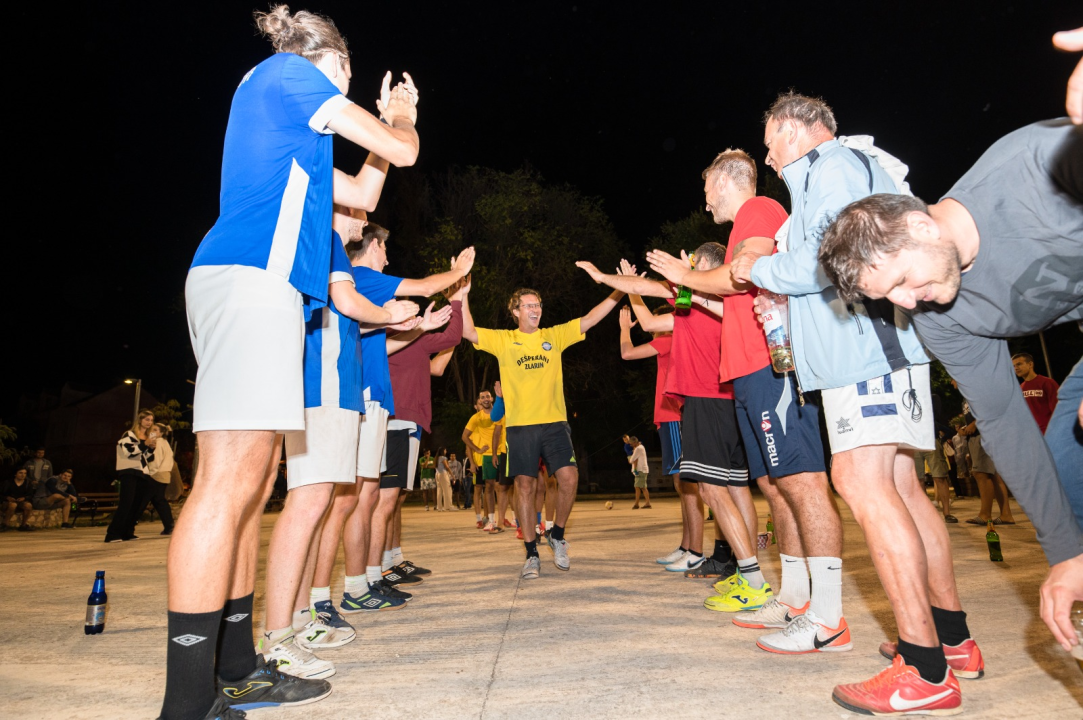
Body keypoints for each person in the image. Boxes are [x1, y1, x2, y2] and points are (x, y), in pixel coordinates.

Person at [171, 5, 423, 718]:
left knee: (249, 491)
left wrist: (380, 136)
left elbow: (369, 189)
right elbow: (400, 152)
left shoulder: (299, 136)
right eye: (347, 71)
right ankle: (186, 701)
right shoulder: (287, 76)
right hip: (250, 281)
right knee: (224, 489)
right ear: (332, 63)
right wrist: (399, 114)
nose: (348, 84)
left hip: (270, 293)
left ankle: (239, 668)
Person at [723, 93, 971, 715]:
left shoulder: (831, 166)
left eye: (771, 143)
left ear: (790, 128)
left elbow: (832, 260)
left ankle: (924, 668)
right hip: (880, 351)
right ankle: (953, 639)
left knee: (859, 480)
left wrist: (763, 268)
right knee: (902, 490)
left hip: (866, 351)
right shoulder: (846, 168)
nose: (769, 155)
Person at [817, 117, 1083, 659]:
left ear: (919, 226)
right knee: (1060, 453)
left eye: (899, 283)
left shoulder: (1037, 167)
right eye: (891, 299)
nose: (909, 305)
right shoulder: (939, 314)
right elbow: (1004, 419)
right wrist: (1063, 554)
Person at [646, 147, 846, 648]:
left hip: (769, 367)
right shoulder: (742, 225)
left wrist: (685, 276)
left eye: (708, 186)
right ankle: (796, 600)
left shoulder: (757, 210)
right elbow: (734, 290)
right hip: (746, 373)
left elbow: (744, 270)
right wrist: (688, 285)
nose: (705, 196)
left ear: (727, 181)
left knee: (802, 483)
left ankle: (829, 619)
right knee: (776, 488)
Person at [312, 219, 470, 619]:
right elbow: (423, 286)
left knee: (363, 497)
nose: (388, 254)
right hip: (357, 397)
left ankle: (360, 583)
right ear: (370, 247)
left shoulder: (361, 285)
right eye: (384, 247)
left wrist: (421, 328)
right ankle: (336, 592)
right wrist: (458, 274)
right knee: (350, 499)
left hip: (372, 399)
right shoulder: (361, 276)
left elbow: (384, 345)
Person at [463, 283, 624, 579]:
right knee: (525, 487)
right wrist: (460, 296)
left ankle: (557, 534)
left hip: (554, 423)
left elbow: (589, 318)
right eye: (528, 305)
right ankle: (531, 553)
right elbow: (469, 331)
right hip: (521, 426)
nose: (535, 309)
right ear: (515, 312)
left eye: (537, 304)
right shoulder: (504, 340)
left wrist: (620, 290)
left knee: (569, 477)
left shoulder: (553, 336)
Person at [106, 409, 157, 543]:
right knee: (126, 503)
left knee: (137, 504)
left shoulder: (147, 437)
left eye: (151, 420)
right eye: (146, 419)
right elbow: (129, 452)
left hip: (142, 471)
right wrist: (144, 444)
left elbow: (147, 458)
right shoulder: (129, 434)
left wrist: (151, 448)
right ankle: (112, 534)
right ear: (140, 420)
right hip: (129, 470)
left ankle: (128, 532)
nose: (149, 422)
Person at [463, 391, 499, 530]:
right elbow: (467, 444)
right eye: (481, 400)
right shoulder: (474, 421)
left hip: (496, 454)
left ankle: (490, 517)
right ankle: (481, 518)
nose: (484, 401)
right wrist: (472, 461)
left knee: (500, 487)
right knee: (481, 488)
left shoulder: (496, 415)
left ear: (492, 399)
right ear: (476, 405)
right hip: (480, 460)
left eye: (487, 397)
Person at [140, 424, 176, 535]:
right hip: (164, 474)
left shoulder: (158, 442)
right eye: (152, 429)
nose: (153, 431)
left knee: (142, 500)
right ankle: (169, 526)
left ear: (161, 433)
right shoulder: (165, 443)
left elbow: (155, 461)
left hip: (156, 475)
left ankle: (130, 523)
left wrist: (150, 473)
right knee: (159, 501)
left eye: (156, 430)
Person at [1013, 352, 1060, 434]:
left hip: (1050, 432)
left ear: (1030, 364)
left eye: (1019, 364)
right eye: (1013, 366)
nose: (1016, 368)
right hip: (1033, 436)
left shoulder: (1047, 383)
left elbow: (1058, 409)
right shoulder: (1020, 389)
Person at [626, 436, 651, 509]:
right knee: (640, 487)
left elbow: (631, 460)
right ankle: (640, 503)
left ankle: (643, 503)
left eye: (631, 444)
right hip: (641, 470)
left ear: (634, 443)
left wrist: (629, 458)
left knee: (641, 487)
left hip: (641, 470)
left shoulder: (638, 449)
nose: (630, 445)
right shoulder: (640, 447)